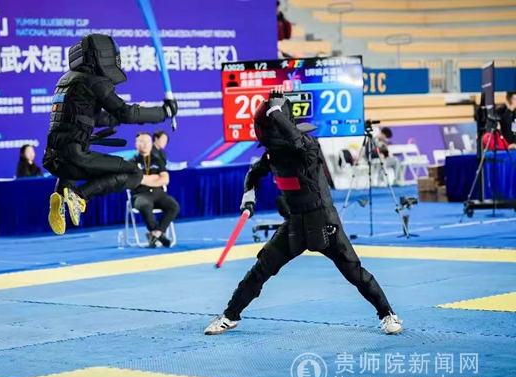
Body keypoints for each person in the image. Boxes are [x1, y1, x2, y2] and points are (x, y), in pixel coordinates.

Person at [204, 88, 402, 335]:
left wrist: (276, 112)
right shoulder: (273, 155)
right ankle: (229, 315)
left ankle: (387, 314)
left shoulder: (308, 147)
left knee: (355, 273)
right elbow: (253, 174)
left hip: (325, 222)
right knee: (261, 269)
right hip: (295, 224)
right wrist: (248, 196)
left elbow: (296, 140)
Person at [42, 34, 178, 235]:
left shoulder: (66, 81)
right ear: (102, 55)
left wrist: (130, 113)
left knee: (72, 167)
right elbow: (126, 113)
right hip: (76, 156)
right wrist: (163, 112)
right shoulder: (95, 82)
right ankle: (79, 196)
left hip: (54, 159)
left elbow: (93, 118)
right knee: (135, 174)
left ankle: (61, 198)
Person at [130, 132, 179, 248]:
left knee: (173, 206)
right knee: (144, 205)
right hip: (140, 195)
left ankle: (156, 233)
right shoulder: (131, 163)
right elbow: (134, 180)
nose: (145, 144)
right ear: (136, 144)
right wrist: (155, 178)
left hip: (158, 194)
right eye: (141, 141)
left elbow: (165, 179)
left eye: (148, 141)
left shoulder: (158, 160)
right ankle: (159, 235)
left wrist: (144, 179)